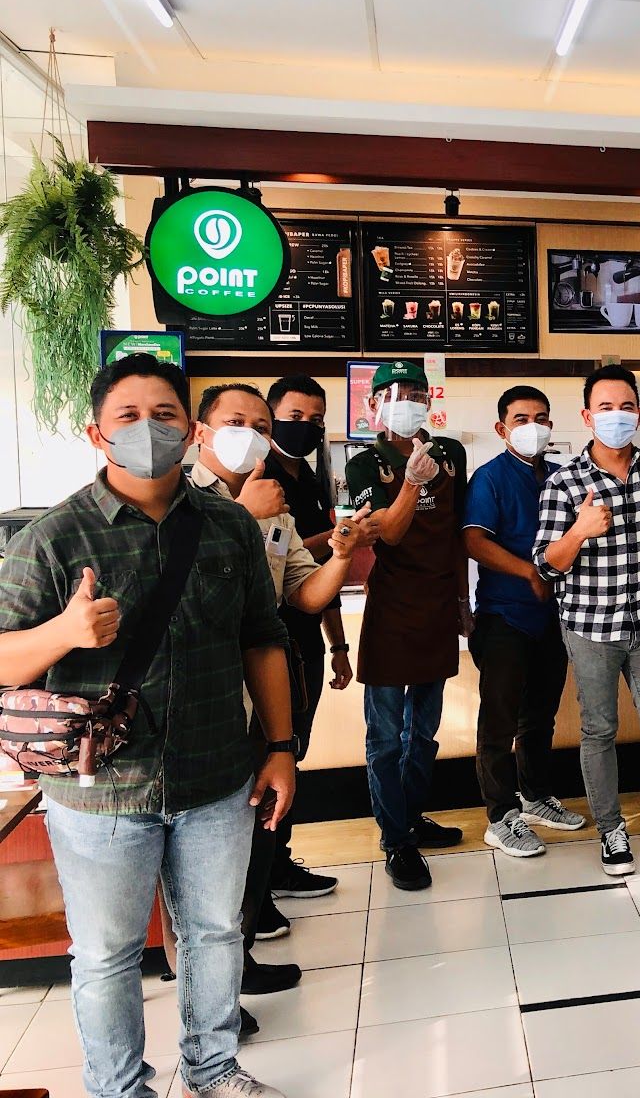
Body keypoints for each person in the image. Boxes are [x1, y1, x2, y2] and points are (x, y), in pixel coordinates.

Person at [0, 354, 294, 1098]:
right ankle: (119, 1088)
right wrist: (65, 632)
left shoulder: (228, 526)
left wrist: (281, 748)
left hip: (216, 776)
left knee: (216, 934)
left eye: (164, 414)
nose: (147, 428)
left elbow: (262, 639)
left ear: (190, 430)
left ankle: (212, 1069)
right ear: (96, 433)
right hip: (99, 793)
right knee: (107, 955)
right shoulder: (55, 537)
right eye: (127, 416)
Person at [188, 382, 376, 997]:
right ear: (200, 432)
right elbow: (180, 586)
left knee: (257, 827)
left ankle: (238, 961)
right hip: (202, 699)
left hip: (264, 692)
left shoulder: (276, 502)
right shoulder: (176, 500)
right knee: (206, 847)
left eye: (261, 426)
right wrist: (242, 515)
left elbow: (304, 592)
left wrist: (341, 555)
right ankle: (206, 991)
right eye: (234, 422)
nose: (250, 434)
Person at [533, 365, 640, 876]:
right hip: (590, 628)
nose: (616, 416)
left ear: (639, 413)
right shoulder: (563, 481)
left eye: (625, 406)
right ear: (587, 417)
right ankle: (611, 830)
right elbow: (546, 565)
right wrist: (579, 531)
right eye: (605, 407)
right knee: (599, 730)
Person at [345, 360, 469, 891]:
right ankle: (395, 840)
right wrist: (412, 484)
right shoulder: (364, 465)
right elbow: (387, 534)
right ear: (373, 404)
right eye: (396, 394)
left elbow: (456, 533)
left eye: (418, 393)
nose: (409, 402)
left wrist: (463, 599)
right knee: (386, 738)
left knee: (423, 733)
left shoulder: (451, 453)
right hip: (392, 613)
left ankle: (412, 818)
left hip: (438, 608)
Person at [465, 385, 584, 859]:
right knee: (498, 721)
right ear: (502, 428)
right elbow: (474, 541)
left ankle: (535, 798)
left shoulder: (561, 476)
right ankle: (501, 816)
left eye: (541, 418)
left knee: (539, 717)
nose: (533, 427)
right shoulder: (489, 478)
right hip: (505, 617)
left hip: (553, 617)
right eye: (521, 419)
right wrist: (529, 572)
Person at [261, 374, 349, 907]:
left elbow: (314, 577)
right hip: (266, 643)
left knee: (294, 750)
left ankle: (278, 862)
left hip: (306, 641)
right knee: (270, 753)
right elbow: (282, 553)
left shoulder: (313, 478)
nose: (306, 428)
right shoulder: (258, 480)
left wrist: (338, 646)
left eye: (316, 420)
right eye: (294, 417)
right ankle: (258, 882)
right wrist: (333, 539)